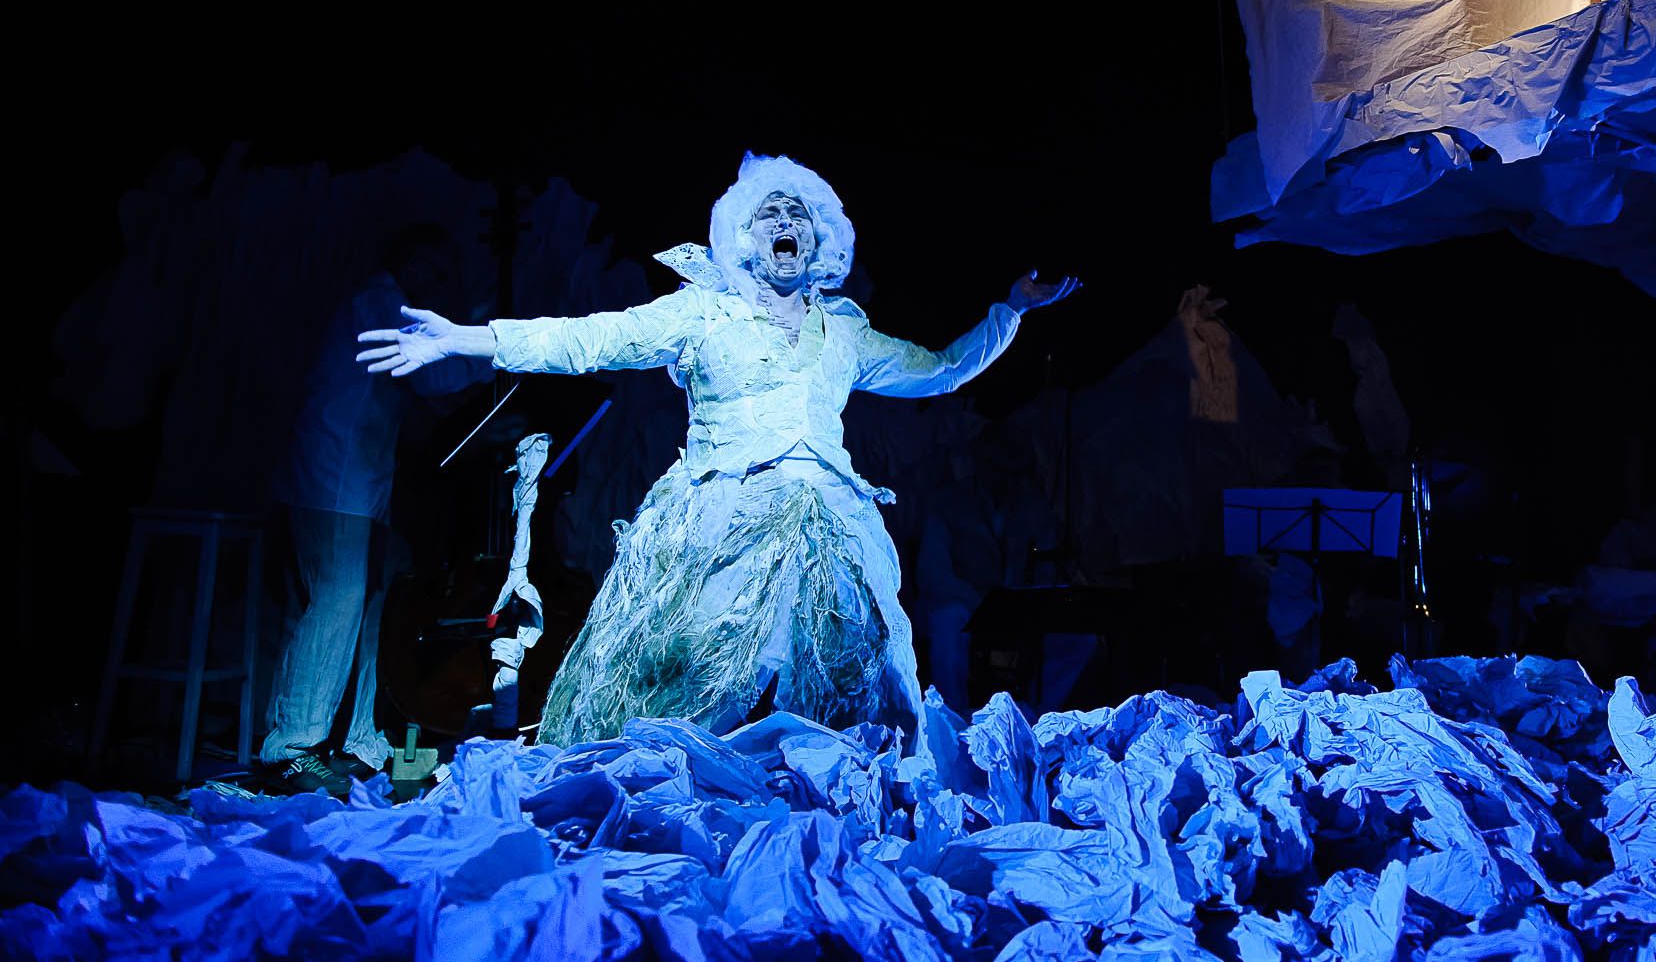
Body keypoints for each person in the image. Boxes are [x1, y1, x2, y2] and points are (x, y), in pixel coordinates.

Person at [354, 153, 1078, 748]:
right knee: (704, 681)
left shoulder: (844, 332)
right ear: (745, 238)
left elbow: (940, 370)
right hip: (722, 520)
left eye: (799, 214)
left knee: (851, 683)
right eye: (770, 213)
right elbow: (591, 338)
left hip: (828, 522)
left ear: (820, 241)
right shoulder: (703, 312)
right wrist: (468, 339)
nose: (786, 222)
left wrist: (1009, 311)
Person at [258, 224, 491, 789]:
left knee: (364, 609)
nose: (438, 282)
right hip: (333, 481)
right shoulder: (379, 302)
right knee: (336, 603)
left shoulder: (385, 302)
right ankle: (292, 749)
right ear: (410, 261)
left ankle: (358, 739)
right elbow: (433, 378)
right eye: (433, 268)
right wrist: (492, 349)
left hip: (356, 483)